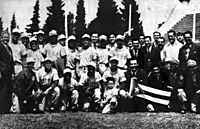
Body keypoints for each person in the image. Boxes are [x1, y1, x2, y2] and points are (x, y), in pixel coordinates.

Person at [0, 31, 15, 113]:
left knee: (9, 90)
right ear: (1, 38)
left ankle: (6, 109)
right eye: (4, 37)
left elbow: (11, 61)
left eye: (7, 37)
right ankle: (1, 109)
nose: (6, 39)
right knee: (2, 91)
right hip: (2, 72)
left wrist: (13, 73)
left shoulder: (9, 48)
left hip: (9, 72)